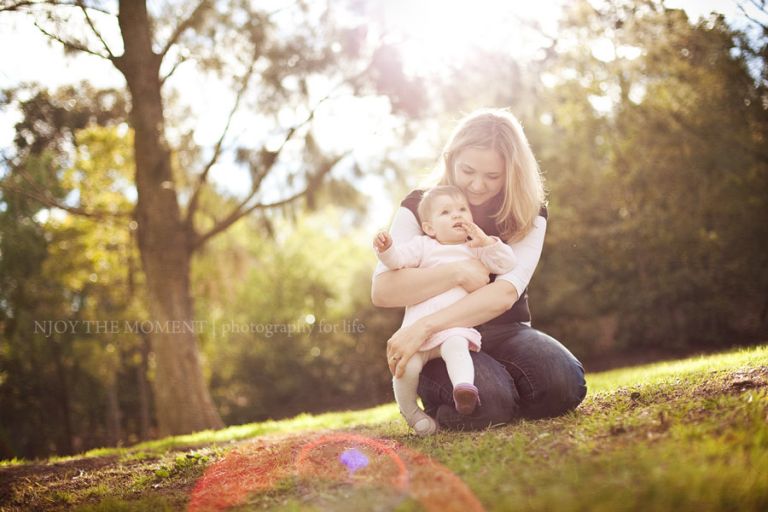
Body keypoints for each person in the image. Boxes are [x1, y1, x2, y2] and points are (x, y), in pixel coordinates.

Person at [371, 108, 587, 430]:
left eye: (492, 176)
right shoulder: (420, 206)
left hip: (505, 331)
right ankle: (466, 403)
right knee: (489, 404)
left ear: (511, 172)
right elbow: (384, 290)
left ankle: (501, 393)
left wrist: (425, 326)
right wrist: (457, 273)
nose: (477, 185)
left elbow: (503, 295)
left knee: (564, 383)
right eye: (468, 170)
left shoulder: (528, 211)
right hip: (439, 344)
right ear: (451, 158)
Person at [374, 185, 518, 435]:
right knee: (406, 368)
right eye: (446, 212)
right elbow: (397, 261)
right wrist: (386, 249)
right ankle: (411, 412)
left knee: (457, 347)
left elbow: (506, 264)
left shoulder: (475, 247)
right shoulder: (423, 246)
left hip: (452, 328)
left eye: (463, 209)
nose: (457, 215)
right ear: (429, 227)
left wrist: (487, 242)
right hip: (416, 333)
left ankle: (464, 389)